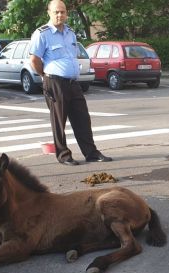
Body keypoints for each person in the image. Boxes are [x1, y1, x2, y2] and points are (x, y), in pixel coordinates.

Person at [29, 0, 111, 166]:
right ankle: (64, 155)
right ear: (49, 13)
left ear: (67, 13)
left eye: (63, 12)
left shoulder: (70, 33)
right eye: (56, 12)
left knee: (82, 118)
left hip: (73, 82)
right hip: (54, 81)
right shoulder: (42, 33)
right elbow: (34, 59)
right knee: (59, 120)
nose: (60, 15)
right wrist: (43, 75)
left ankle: (91, 153)